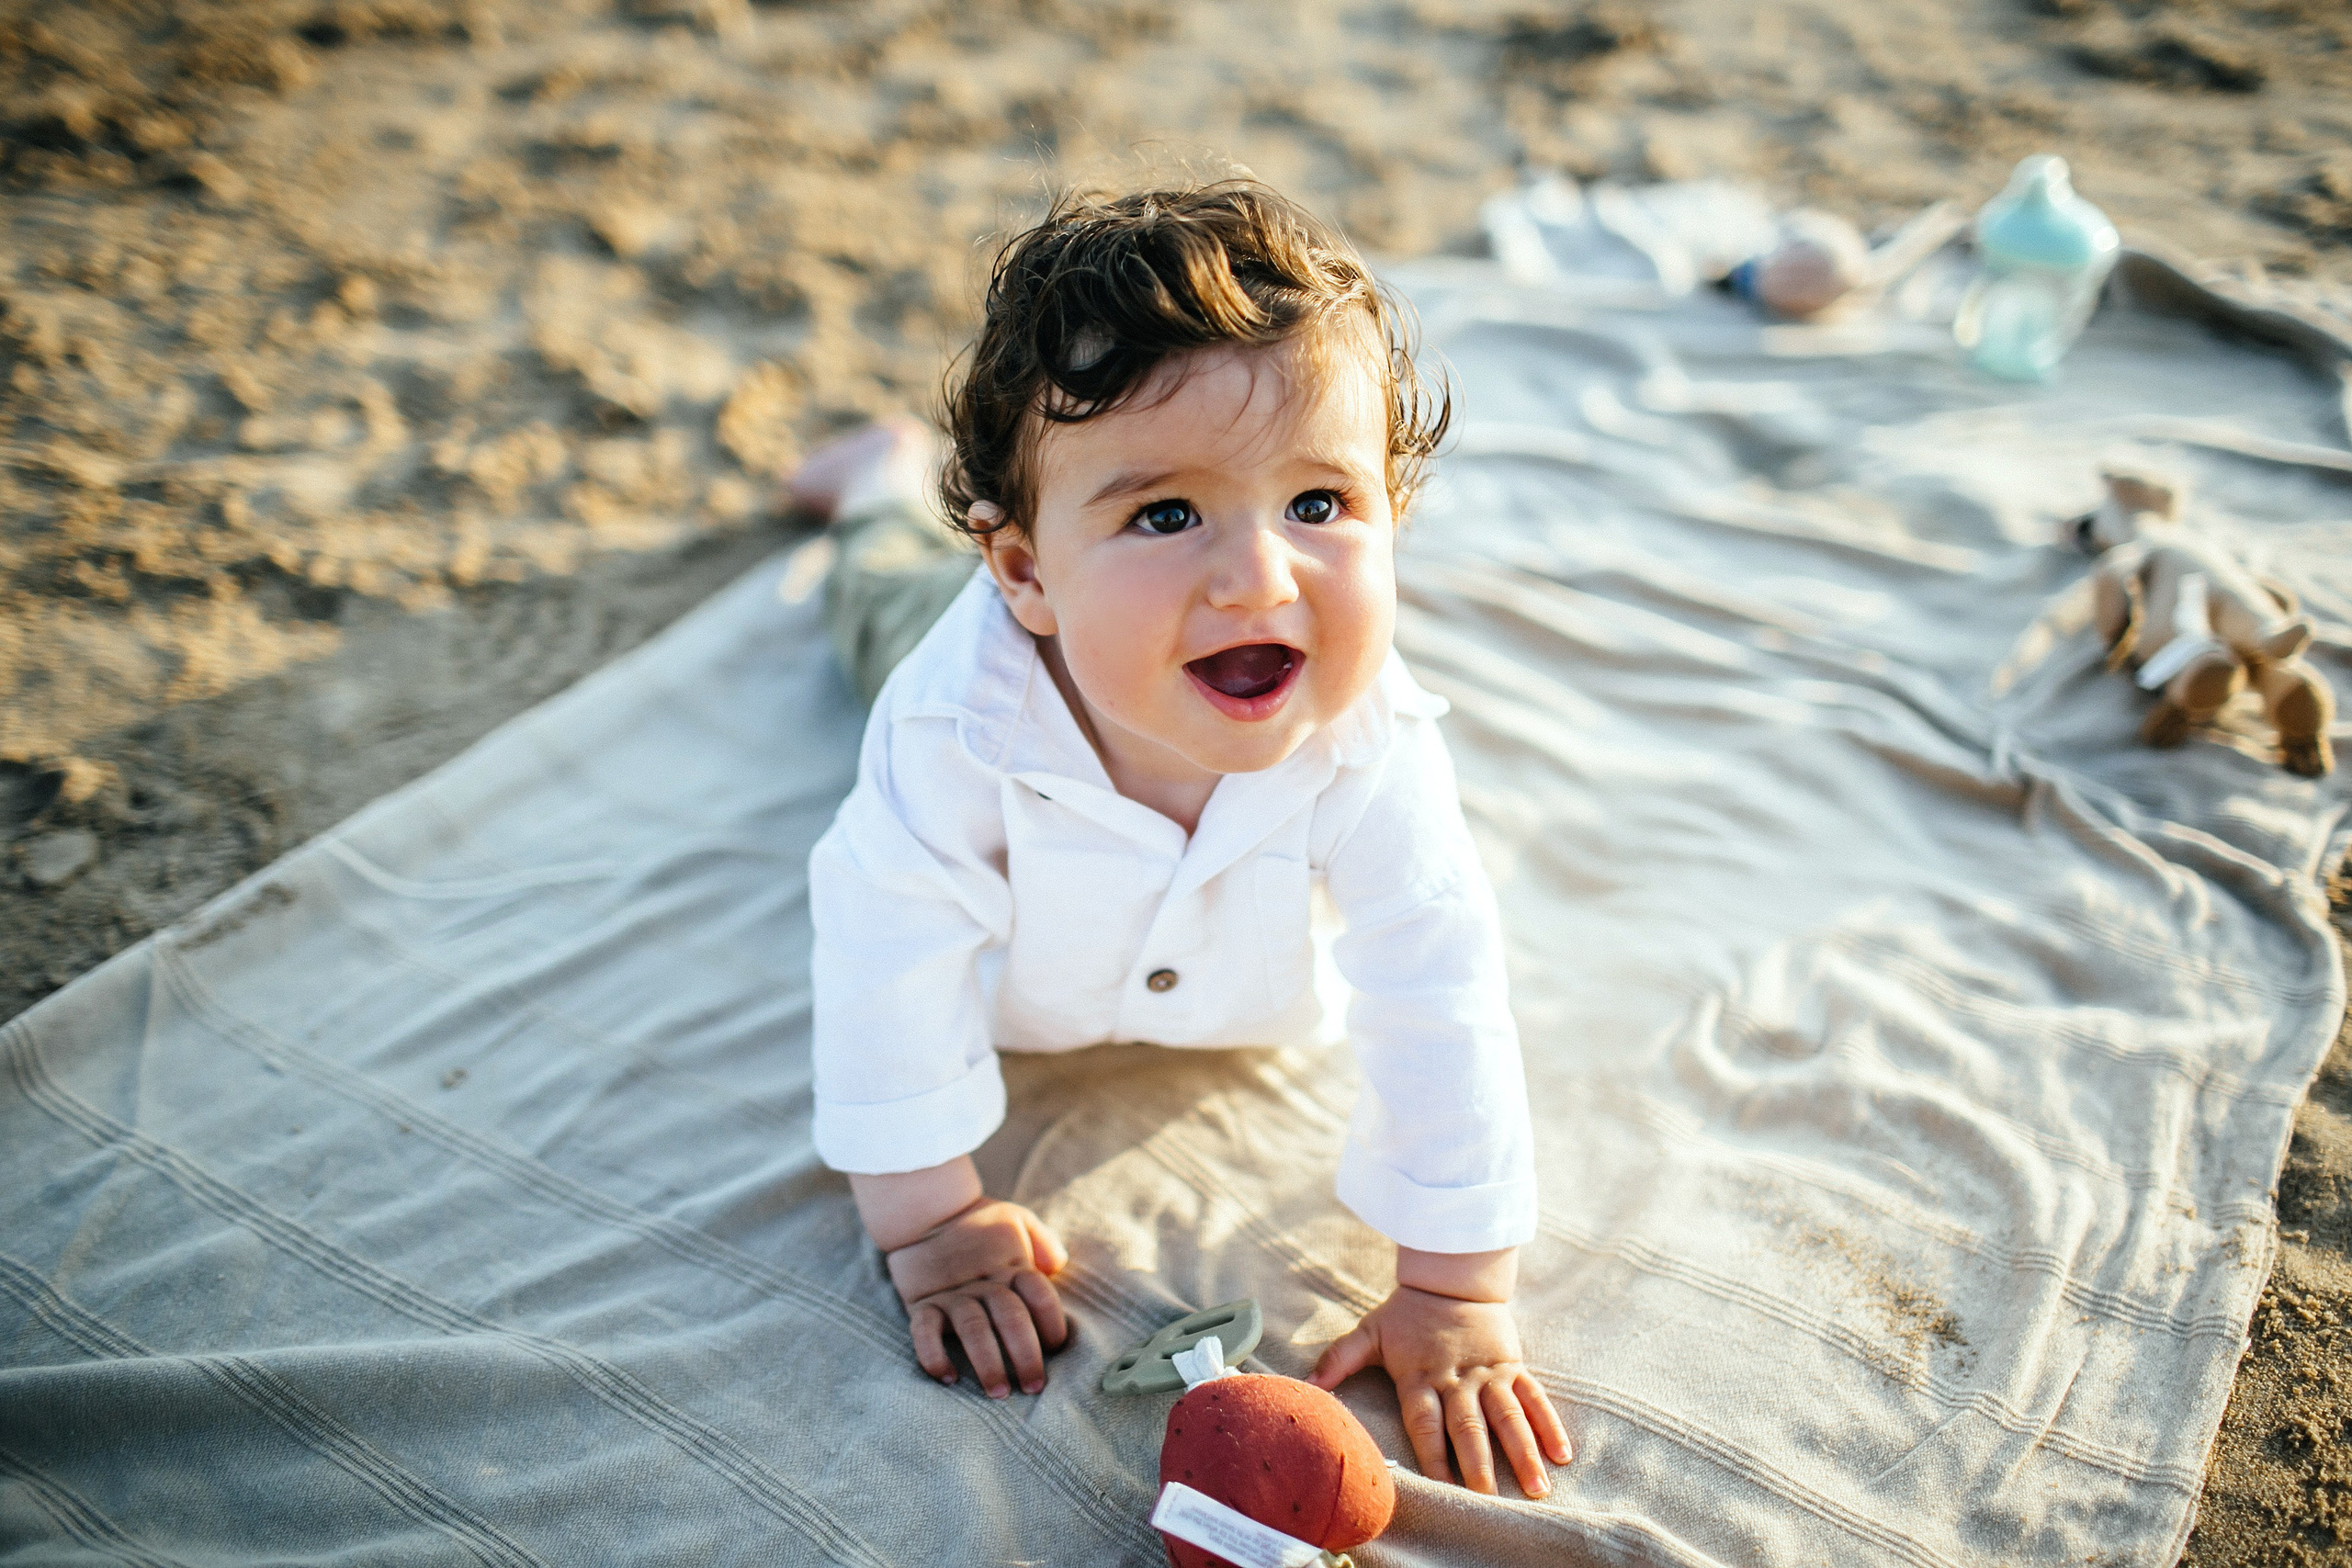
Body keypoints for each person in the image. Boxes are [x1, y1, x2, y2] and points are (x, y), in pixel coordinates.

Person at [799, 178, 1570, 1499]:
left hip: (1153, 774)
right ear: (1027, 571)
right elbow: (887, 948)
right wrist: (931, 1224)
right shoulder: (949, 730)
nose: (1259, 578)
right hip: (968, 651)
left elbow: (1436, 980)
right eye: (1167, 514)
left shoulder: (1371, 744)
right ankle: (874, 487)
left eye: (1320, 505)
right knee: (875, 599)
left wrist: (1455, 1283)